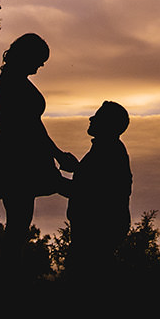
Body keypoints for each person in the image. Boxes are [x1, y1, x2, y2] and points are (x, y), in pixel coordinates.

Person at [0, 33, 76, 238]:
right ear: (28, 56)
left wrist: (57, 154)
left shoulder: (14, 79)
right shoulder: (13, 82)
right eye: (40, 60)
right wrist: (57, 154)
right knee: (19, 225)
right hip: (18, 157)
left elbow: (33, 124)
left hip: (25, 153)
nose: (41, 66)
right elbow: (29, 125)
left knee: (19, 224)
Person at [66, 100, 132, 276]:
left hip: (94, 234)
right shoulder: (110, 150)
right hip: (101, 231)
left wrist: (53, 180)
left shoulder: (107, 152)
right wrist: (78, 170)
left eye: (97, 116)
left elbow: (87, 192)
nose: (91, 118)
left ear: (107, 123)